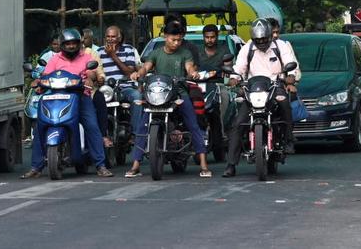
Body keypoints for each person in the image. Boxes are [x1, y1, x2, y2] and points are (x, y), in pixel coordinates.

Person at [22, 28, 113, 178]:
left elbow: (91, 72)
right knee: (40, 126)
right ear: (62, 45)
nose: (71, 46)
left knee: (92, 126)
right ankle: (36, 167)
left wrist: (90, 78)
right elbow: (46, 74)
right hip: (55, 96)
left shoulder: (85, 58)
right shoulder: (55, 59)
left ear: (79, 44)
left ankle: (100, 165)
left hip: (80, 97)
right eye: (68, 43)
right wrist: (39, 82)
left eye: (74, 43)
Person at [125, 19, 211, 178]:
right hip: (157, 94)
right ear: (165, 36)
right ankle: (136, 165)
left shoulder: (185, 53)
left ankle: (204, 165)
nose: (176, 43)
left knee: (193, 125)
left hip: (178, 93)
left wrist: (192, 73)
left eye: (179, 40)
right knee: (142, 127)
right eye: (173, 39)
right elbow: (145, 67)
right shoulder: (156, 53)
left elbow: (189, 67)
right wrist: (138, 74)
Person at [223, 18, 298, 177]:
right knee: (238, 123)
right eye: (258, 40)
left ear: (270, 36)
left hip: (275, 86)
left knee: (284, 103)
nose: (262, 42)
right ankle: (231, 164)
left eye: (264, 39)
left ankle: (289, 140)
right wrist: (234, 79)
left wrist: (290, 76)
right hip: (253, 90)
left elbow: (291, 64)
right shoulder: (247, 48)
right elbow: (238, 69)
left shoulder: (280, 46)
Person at [96, 25, 143, 151]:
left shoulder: (128, 49)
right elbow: (96, 71)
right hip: (107, 89)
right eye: (108, 37)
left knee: (137, 97)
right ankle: (100, 136)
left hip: (125, 87)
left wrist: (113, 56)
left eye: (113, 36)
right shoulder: (99, 52)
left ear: (119, 37)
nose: (110, 39)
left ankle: (135, 134)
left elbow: (129, 72)